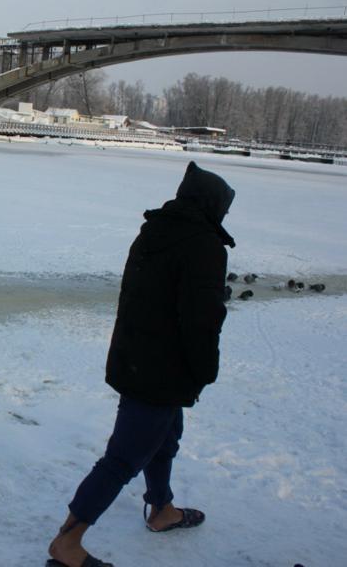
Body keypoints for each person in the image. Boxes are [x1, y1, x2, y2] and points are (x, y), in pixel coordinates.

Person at [47, 162, 236, 567]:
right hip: (161, 372)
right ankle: (67, 544)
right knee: (122, 458)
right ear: (211, 205)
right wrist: (205, 370)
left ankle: (162, 510)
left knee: (164, 439)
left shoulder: (154, 230)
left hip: (135, 360)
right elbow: (202, 320)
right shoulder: (204, 245)